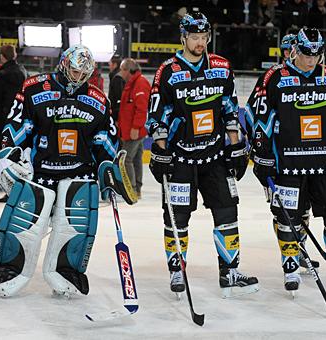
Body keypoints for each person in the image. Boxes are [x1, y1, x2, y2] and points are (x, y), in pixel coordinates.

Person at [0, 45, 136, 298]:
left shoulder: (98, 99)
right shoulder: (34, 87)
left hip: (79, 173)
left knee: (75, 228)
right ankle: (8, 268)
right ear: (64, 64)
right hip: (39, 171)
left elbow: (105, 138)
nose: (79, 78)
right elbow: (18, 124)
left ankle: (67, 272)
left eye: (84, 73)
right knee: (23, 226)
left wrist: (109, 165)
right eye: (75, 71)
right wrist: (9, 154)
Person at [146, 12, 259, 297]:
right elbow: (156, 118)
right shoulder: (168, 71)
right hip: (181, 159)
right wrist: (160, 154)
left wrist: (235, 148)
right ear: (183, 38)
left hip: (215, 158)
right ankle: (176, 272)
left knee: (227, 212)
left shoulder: (221, 67)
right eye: (194, 37)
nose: (200, 43)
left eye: (204, 37)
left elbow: (231, 111)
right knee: (176, 218)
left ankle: (229, 272)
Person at [250, 28, 326, 298]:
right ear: (296, 49)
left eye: (317, 54)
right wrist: (262, 156)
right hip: (288, 164)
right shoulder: (275, 77)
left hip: (325, 163)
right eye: (307, 54)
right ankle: (290, 269)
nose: (312, 60)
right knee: (287, 218)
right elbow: (262, 120)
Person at [0, 44, 27, 203]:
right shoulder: (23, 72)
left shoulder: (0, 75)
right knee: (18, 155)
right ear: (15, 55)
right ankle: (20, 187)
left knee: (3, 155)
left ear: (2, 57)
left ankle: (8, 189)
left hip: (3, 121)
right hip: (20, 119)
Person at [118, 58, 150, 199]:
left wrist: (136, 127)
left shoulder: (140, 84)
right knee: (136, 159)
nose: (120, 73)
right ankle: (136, 189)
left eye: (122, 70)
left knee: (126, 159)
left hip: (134, 130)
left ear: (127, 70)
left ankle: (131, 189)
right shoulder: (133, 83)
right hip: (130, 129)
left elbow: (141, 108)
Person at [107, 54, 125, 125]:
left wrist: (116, 116)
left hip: (117, 113)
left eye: (110, 64)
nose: (109, 66)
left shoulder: (117, 78)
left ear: (115, 64)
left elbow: (119, 98)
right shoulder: (116, 75)